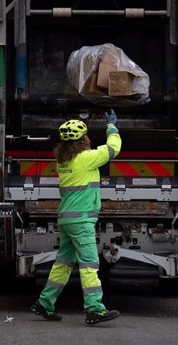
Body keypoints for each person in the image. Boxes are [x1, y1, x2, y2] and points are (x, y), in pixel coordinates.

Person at [31, 109, 121, 325]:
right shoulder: (86, 159)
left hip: (67, 220)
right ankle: (94, 309)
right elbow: (113, 148)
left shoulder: (63, 163)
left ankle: (44, 303)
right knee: (89, 264)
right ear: (83, 140)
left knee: (62, 264)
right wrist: (111, 126)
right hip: (81, 222)